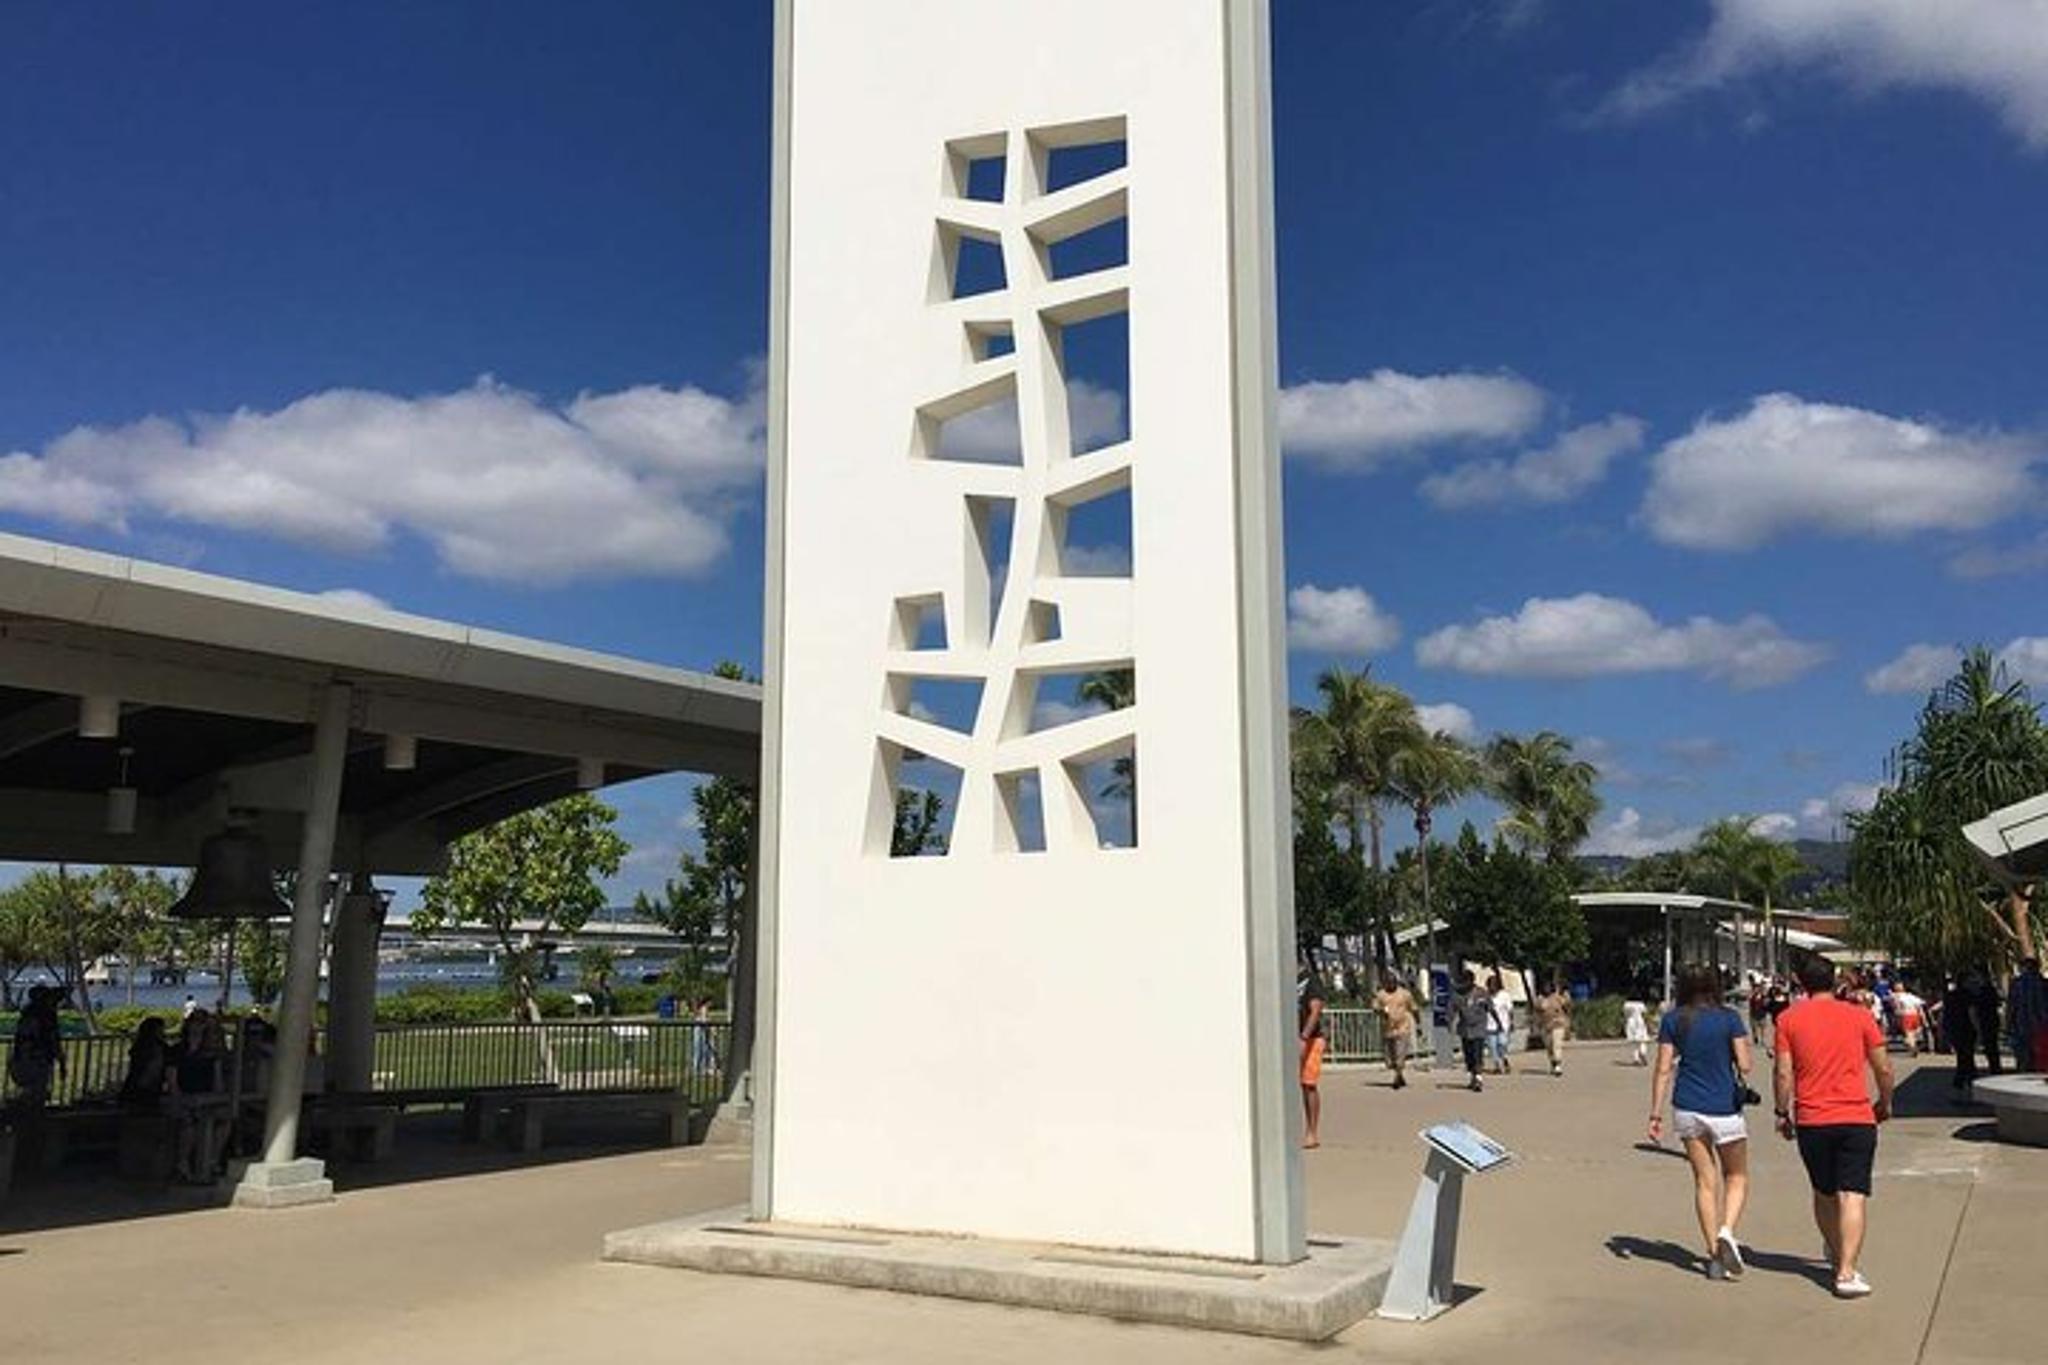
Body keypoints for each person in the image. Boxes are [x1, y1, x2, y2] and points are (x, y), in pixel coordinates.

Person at [1775, 957, 1895, 1299]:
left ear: (1800, 981)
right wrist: (1885, 1102)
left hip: (1813, 1118)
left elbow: (1783, 1072)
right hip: (1856, 1117)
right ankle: (1846, 1271)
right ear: (1835, 981)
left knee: (1824, 1192)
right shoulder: (1859, 1017)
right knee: (1852, 1193)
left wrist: (1782, 1111)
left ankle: (1834, 1248)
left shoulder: (1788, 1019)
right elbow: (1882, 1067)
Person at [1647, 966, 1755, 1281]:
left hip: (1687, 1107)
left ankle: (1713, 1256)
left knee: (1704, 1181)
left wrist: (1655, 1114)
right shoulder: (1729, 1018)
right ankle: (1727, 1231)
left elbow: (1663, 1069)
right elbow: (1746, 1066)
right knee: (1736, 1175)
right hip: (1724, 1108)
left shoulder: (1673, 1019)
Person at [6, 984, 67, 1110]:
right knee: (36, 1099)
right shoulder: (47, 1016)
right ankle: (33, 1123)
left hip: (20, 1060)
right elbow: (53, 1041)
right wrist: (62, 1064)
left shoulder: (27, 1013)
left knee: (29, 1096)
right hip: (37, 1062)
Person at [1297, 957, 1326, 1149]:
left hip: (1311, 1038)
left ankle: (1312, 1132)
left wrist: (1304, 1037)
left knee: (1308, 1084)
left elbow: (1315, 1010)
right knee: (1298, 1086)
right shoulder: (1283, 980)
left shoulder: (1311, 980)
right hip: (1289, 1036)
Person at [1373, 971, 1418, 1090]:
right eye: (1388, 982)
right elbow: (1375, 1008)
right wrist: (1381, 1012)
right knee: (1390, 1059)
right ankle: (1400, 1074)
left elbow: (1413, 1008)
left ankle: (1397, 1078)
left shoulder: (1405, 994)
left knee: (1400, 1055)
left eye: (1393, 982)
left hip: (1403, 1028)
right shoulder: (1381, 995)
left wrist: (1418, 1024)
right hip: (1387, 1030)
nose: (1390, 984)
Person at [1451, 970, 1493, 1093]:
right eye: (1461, 981)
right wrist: (1449, 1022)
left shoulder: (1481, 993)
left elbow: (1490, 1008)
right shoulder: (1457, 995)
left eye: (1465, 981)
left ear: (1471, 981)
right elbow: (1452, 1010)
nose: (1463, 984)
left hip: (1479, 1028)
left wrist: (1498, 1022)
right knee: (1468, 1055)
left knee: (1477, 1053)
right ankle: (1472, 1076)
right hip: (1465, 1029)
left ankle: (1479, 1078)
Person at [119, 1016, 171, 1109]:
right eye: (161, 1030)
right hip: (146, 1088)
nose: (163, 1033)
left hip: (140, 1087)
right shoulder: (156, 1048)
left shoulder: (142, 1046)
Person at [1942, 973, 1980, 1097]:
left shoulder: (1950, 995)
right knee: (1967, 1056)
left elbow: (1945, 1013)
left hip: (1954, 1029)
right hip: (1967, 1029)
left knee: (1962, 1056)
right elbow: (1972, 1012)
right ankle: (1967, 1081)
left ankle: (1964, 1082)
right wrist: (1977, 1028)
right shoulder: (1969, 995)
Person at [2007, 959, 2048, 1072]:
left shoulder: (2016, 984)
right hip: (2041, 1025)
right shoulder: (2044, 983)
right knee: (2040, 1055)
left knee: (2023, 1057)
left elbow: (2011, 1007)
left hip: (2021, 1025)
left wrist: (2009, 1024)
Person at [1534, 981, 1573, 1077]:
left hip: (1558, 1024)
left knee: (1557, 1044)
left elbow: (1567, 1005)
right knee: (1549, 1047)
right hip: (1545, 1026)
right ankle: (1553, 1062)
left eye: (1548, 987)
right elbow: (1537, 1011)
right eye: (1544, 987)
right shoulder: (1540, 999)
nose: (1546, 989)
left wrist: (1567, 996)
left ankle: (1558, 1065)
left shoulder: (1558, 997)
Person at [1486, 974, 1515, 1075]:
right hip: (1489, 1025)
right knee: (1492, 1047)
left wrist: (1511, 1022)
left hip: (1503, 1025)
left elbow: (1510, 1010)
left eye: (1494, 985)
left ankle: (1504, 1058)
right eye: (1490, 985)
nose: (1492, 987)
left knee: (1502, 1044)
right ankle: (1497, 1065)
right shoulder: (1486, 996)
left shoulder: (1504, 995)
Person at [1891, 982, 1927, 1058]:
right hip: (1915, 1015)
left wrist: (1897, 1017)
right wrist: (1923, 1019)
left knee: (1909, 1034)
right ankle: (1913, 1044)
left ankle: (1913, 1047)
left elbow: (1897, 1008)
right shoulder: (1913, 997)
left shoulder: (1897, 997)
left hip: (1906, 1015)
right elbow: (1920, 1007)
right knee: (1914, 1033)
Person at [1624, 995, 1653, 1067]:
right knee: (1642, 1040)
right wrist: (1648, 1023)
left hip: (1631, 1022)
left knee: (1634, 1042)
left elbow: (1625, 1014)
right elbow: (1644, 1014)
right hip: (1640, 1022)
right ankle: (1643, 1052)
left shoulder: (1626, 1004)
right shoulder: (1641, 1004)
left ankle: (1636, 1059)